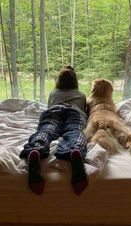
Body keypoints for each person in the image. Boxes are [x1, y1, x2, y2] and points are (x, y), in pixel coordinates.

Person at [20, 66, 88, 195]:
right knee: (74, 132)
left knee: (46, 130)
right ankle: (75, 149)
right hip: (75, 113)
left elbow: (50, 106)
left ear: (59, 81)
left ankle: (36, 149)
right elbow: (85, 111)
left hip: (54, 111)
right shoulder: (81, 95)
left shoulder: (53, 93)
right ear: (75, 81)